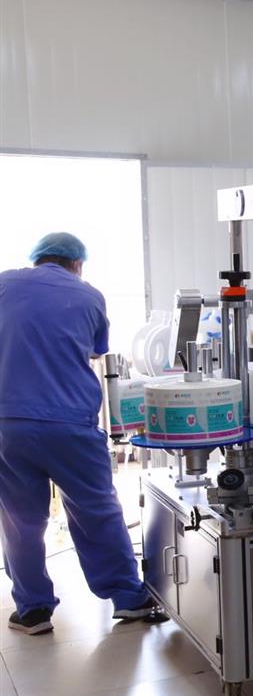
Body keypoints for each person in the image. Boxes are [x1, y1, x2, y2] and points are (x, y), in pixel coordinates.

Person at [0, 233, 162, 634]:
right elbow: (95, 350)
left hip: (9, 423)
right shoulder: (88, 295)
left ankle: (33, 610)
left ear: (37, 259)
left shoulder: (4, 284)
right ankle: (128, 598)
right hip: (70, 421)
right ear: (77, 263)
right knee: (96, 508)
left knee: (20, 519)